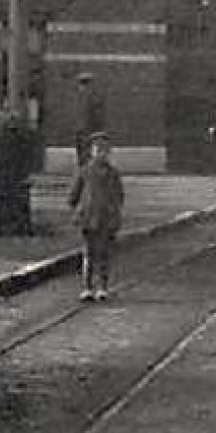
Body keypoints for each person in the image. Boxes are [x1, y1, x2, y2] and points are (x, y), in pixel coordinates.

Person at [69, 132, 124, 301]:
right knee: (89, 252)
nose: (101, 154)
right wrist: (76, 206)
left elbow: (119, 194)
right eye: (97, 150)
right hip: (89, 217)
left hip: (107, 218)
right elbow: (75, 193)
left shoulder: (113, 173)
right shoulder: (85, 170)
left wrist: (115, 211)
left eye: (105, 151)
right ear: (91, 151)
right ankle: (87, 287)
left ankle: (102, 287)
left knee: (104, 253)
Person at [0, 115, 36, 235]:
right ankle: (17, 225)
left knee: (10, 198)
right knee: (15, 198)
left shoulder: (7, 137)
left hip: (10, 172)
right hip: (13, 172)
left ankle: (8, 225)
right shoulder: (22, 138)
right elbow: (29, 154)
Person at [73, 73, 106, 165]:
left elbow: (96, 113)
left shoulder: (88, 96)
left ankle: (85, 171)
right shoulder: (89, 95)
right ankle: (84, 171)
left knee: (86, 152)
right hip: (84, 130)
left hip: (86, 130)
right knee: (84, 152)